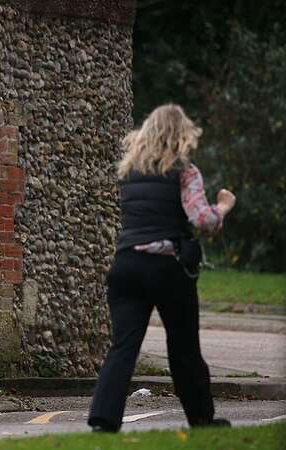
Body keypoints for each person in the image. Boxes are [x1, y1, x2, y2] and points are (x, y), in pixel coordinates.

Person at [87, 104, 237, 432]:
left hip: (126, 266)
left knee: (123, 346)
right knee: (184, 347)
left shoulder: (129, 173)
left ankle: (103, 420)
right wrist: (224, 206)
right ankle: (201, 418)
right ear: (181, 134)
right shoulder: (185, 171)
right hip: (166, 268)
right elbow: (203, 220)